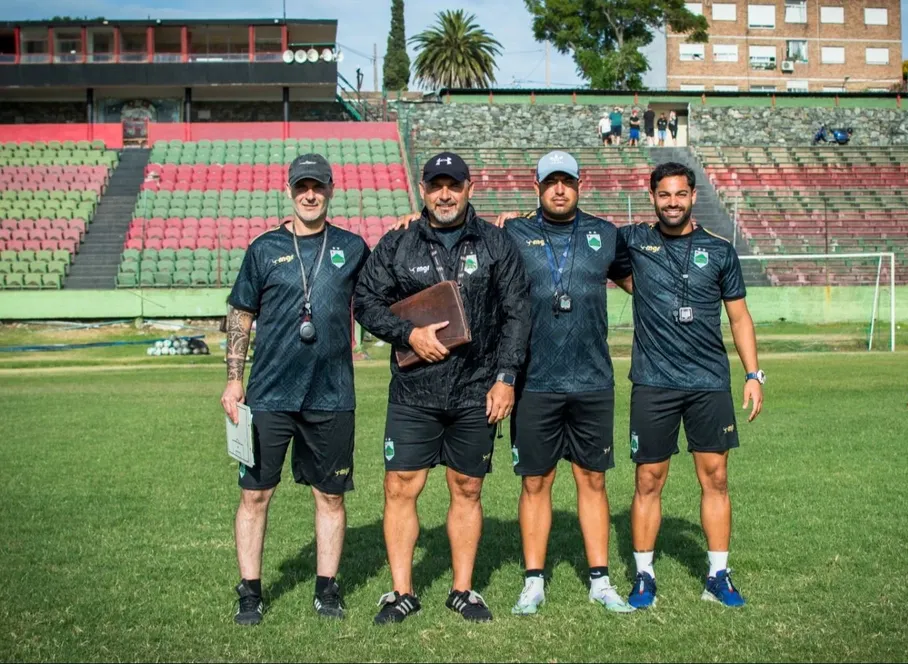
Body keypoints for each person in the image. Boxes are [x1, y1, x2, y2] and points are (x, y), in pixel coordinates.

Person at [353, 152, 530, 625]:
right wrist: (407, 335)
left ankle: (463, 590)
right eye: (436, 186)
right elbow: (365, 300)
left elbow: (517, 313)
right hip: (414, 391)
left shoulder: (497, 243)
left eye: (453, 185)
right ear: (423, 189)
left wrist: (506, 377)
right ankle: (400, 592)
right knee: (400, 488)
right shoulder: (398, 242)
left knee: (468, 488)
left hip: (477, 390)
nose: (445, 194)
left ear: (470, 187)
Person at [221, 153, 371, 626]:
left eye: (319, 186)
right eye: (302, 186)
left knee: (330, 497)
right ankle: (250, 592)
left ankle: (327, 590)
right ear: (290, 191)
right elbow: (241, 316)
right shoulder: (264, 249)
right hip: (268, 396)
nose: (310, 194)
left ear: (331, 189)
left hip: (331, 396)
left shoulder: (352, 246)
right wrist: (233, 377)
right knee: (255, 496)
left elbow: (380, 293)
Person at [489, 151, 636, 615]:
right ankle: (534, 582)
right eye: (550, 181)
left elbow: (646, 281)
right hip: (534, 382)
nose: (559, 189)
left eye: (566, 181)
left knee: (592, 479)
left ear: (579, 184)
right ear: (536, 186)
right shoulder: (512, 233)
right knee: (536, 482)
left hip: (593, 381)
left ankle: (600, 580)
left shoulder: (605, 234)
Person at [618, 162, 764, 610]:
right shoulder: (633, 240)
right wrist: (516, 219)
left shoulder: (719, 251)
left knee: (716, 477)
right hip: (653, 382)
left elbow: (739, 316)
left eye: (680, 194)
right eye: (664, 195)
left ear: (694, 196)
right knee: (648, 479)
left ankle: (718, 575)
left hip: (708, 382)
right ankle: (644, 577)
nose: (673, 202)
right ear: (652, 197)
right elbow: (578, 232)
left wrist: (754, 374)